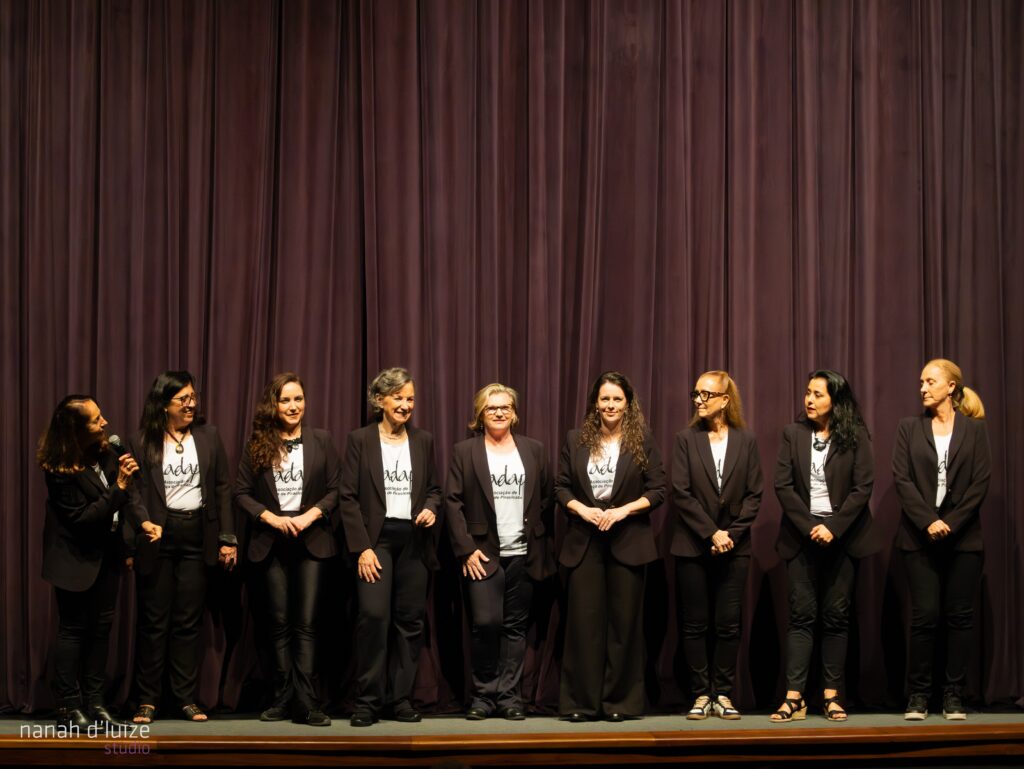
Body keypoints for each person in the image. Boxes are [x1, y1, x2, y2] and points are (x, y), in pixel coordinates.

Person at [125, 371, 237, 724]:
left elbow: (222, 488)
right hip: (159, 535)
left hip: (196, 536)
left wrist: (227, 538)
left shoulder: (208, 436)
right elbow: (134, 492)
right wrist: (141, 528)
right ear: (164, 404)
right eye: (183, 399)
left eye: (193, 397)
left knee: (189, 622)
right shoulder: (143, 440)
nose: (191, 404)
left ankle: (186, 698)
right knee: (154, 622)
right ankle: (147, 700)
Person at [556, 371, 665, 722]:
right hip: (584, 542)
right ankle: (580, 704)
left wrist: (622, 511)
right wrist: (583, 509)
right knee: (584, 626)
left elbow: (658, 491)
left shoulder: (642, 440)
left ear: (628, 403)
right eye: (605, 399)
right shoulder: (576, 439)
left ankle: (620, 703)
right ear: (595, 403)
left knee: (624, 626)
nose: (610, 405)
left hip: (628, 541)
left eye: (617, 399)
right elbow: (560, 488)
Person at [235, 372, 341, 726]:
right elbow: (240, 493)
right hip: (271, 542)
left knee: (307, 624)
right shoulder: (258, 443)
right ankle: (282, 698)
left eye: (298, 399)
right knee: (278, 624)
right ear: (274, 405)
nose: (293, 406)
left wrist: (311, 514)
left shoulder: (322, 440)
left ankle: (307, 702)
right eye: (285, 400)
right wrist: (271, 518)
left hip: (312, 541)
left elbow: (336, 488)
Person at [339, 367, 442, 727]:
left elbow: (434, 489)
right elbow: (347, 498)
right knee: (373, 617)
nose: (405, 405)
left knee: (409, 622)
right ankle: (368, 701)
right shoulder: (360, 440)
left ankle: (400, 699)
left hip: (413, 542)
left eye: (410, 398)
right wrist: (363, 548)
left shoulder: (424, 441)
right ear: (380, 400)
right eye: (398, 397)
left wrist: (430, 508)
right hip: (376, 543)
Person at [445, 383, 554, 721]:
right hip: (483, 555)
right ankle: (482, 695)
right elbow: (452, 502)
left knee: (515, 628)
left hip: (523, 553)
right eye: (492, 407)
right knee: (485, 623)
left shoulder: (533, 450)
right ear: (480, 413)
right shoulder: (465, 452)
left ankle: (509, 697)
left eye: (505, 406)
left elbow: (546, 497)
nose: (499, 412)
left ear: (515, 412)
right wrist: (466, 549)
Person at [771, 370, 874, 722]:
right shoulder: (793, 434)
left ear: (836, 400)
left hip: (843, 539)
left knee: (835, 618)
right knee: (800, 616)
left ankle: (831, 696)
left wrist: (833, 528)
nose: (809, 400)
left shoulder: (855, 436)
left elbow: (863, 488)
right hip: (802, 538)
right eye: (807, 392)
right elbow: (783, 486)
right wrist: (811, 526)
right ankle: (794, 697)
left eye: (818, 394)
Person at [892, 359, 990, 720]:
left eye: (930, 381)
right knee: (925, 617)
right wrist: (928, 522)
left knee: (960, 617)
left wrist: (950, 522)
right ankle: (918, 695)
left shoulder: (975, 431)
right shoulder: (909, 428)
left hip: (963, 540)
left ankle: (952, 695)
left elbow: (980, 482)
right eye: (921, 382)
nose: (922, 388)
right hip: (920, 539)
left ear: (951, 387)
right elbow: (901, 479)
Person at [39, 394, 139, 729]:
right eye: (96, 420)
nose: (105, 423)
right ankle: (69, 708)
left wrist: (126, 548)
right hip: (73, 560)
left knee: (101, 632)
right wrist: (120, 487)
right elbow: (83, 519)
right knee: (73, 632)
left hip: (105, 559)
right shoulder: (58, 469)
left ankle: (97, 705)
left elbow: (119, 509)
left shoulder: (107, 452)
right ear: (76, 429)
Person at [670, 371, 763, 721]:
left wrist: (731, 535)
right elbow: (681, 492)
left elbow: (755, 495)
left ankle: (722, 693)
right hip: (693, 545)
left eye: (707, 394)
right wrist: (712, 533)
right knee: (695, 624)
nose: (699, 400)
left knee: (728, 624)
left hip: (734, 548)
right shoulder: (685, 439)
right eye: (696, 393)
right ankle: (699, 694)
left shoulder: (746, 440)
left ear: (725, 399)